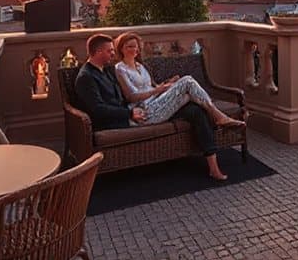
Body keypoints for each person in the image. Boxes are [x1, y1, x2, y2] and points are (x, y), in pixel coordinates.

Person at [72, 34, 233, 180]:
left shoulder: (105, 70)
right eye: (110, 51)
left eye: (113, 51)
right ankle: (219, 117)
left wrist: (164, 87)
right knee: (188, 81)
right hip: (134, 118)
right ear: (98, 52)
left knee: (196, 110)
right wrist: (129, 113)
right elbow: (98, 109)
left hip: (144, 109)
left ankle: (213, 166)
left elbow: (136, 91)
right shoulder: (86, 77)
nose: (113, 55)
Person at [113, 32, 244, 129]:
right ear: (121, 49)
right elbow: (131, 97)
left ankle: (215, 124)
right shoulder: (120, 69)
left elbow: (152, 88)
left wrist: (168, 84)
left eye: (136, 47)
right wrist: (158, 90)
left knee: (189, 94)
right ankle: (219, 117)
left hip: (156, 102)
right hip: (145, 112)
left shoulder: (140, 65)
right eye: (130, 47)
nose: (134, 50)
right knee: (187, 81)